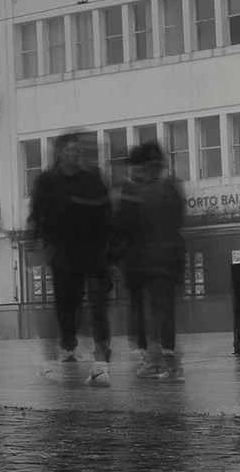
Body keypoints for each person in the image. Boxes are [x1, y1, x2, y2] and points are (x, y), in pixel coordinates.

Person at [28, 133, 112, 380]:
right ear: (59, 152)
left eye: (77, 150)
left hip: (91, 248)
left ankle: (100, 348)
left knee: (97, 299)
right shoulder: (46, 181)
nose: (74, 154)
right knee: (67, 298)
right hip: (61, 249)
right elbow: (37, 213)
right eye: (69, 150)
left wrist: (109, 247)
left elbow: (105, 213)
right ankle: (68, 343)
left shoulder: (91, 178)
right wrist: (35, 244)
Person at [113, 140, 186, 381]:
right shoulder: (171, 187)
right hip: (165, 260)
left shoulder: (133, 191)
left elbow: (123, 225)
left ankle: (151, 361)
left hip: (141, 261)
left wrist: (117, 255)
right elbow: (178, 221)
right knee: (163, 310)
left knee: (141, 311)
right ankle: (170, 363)